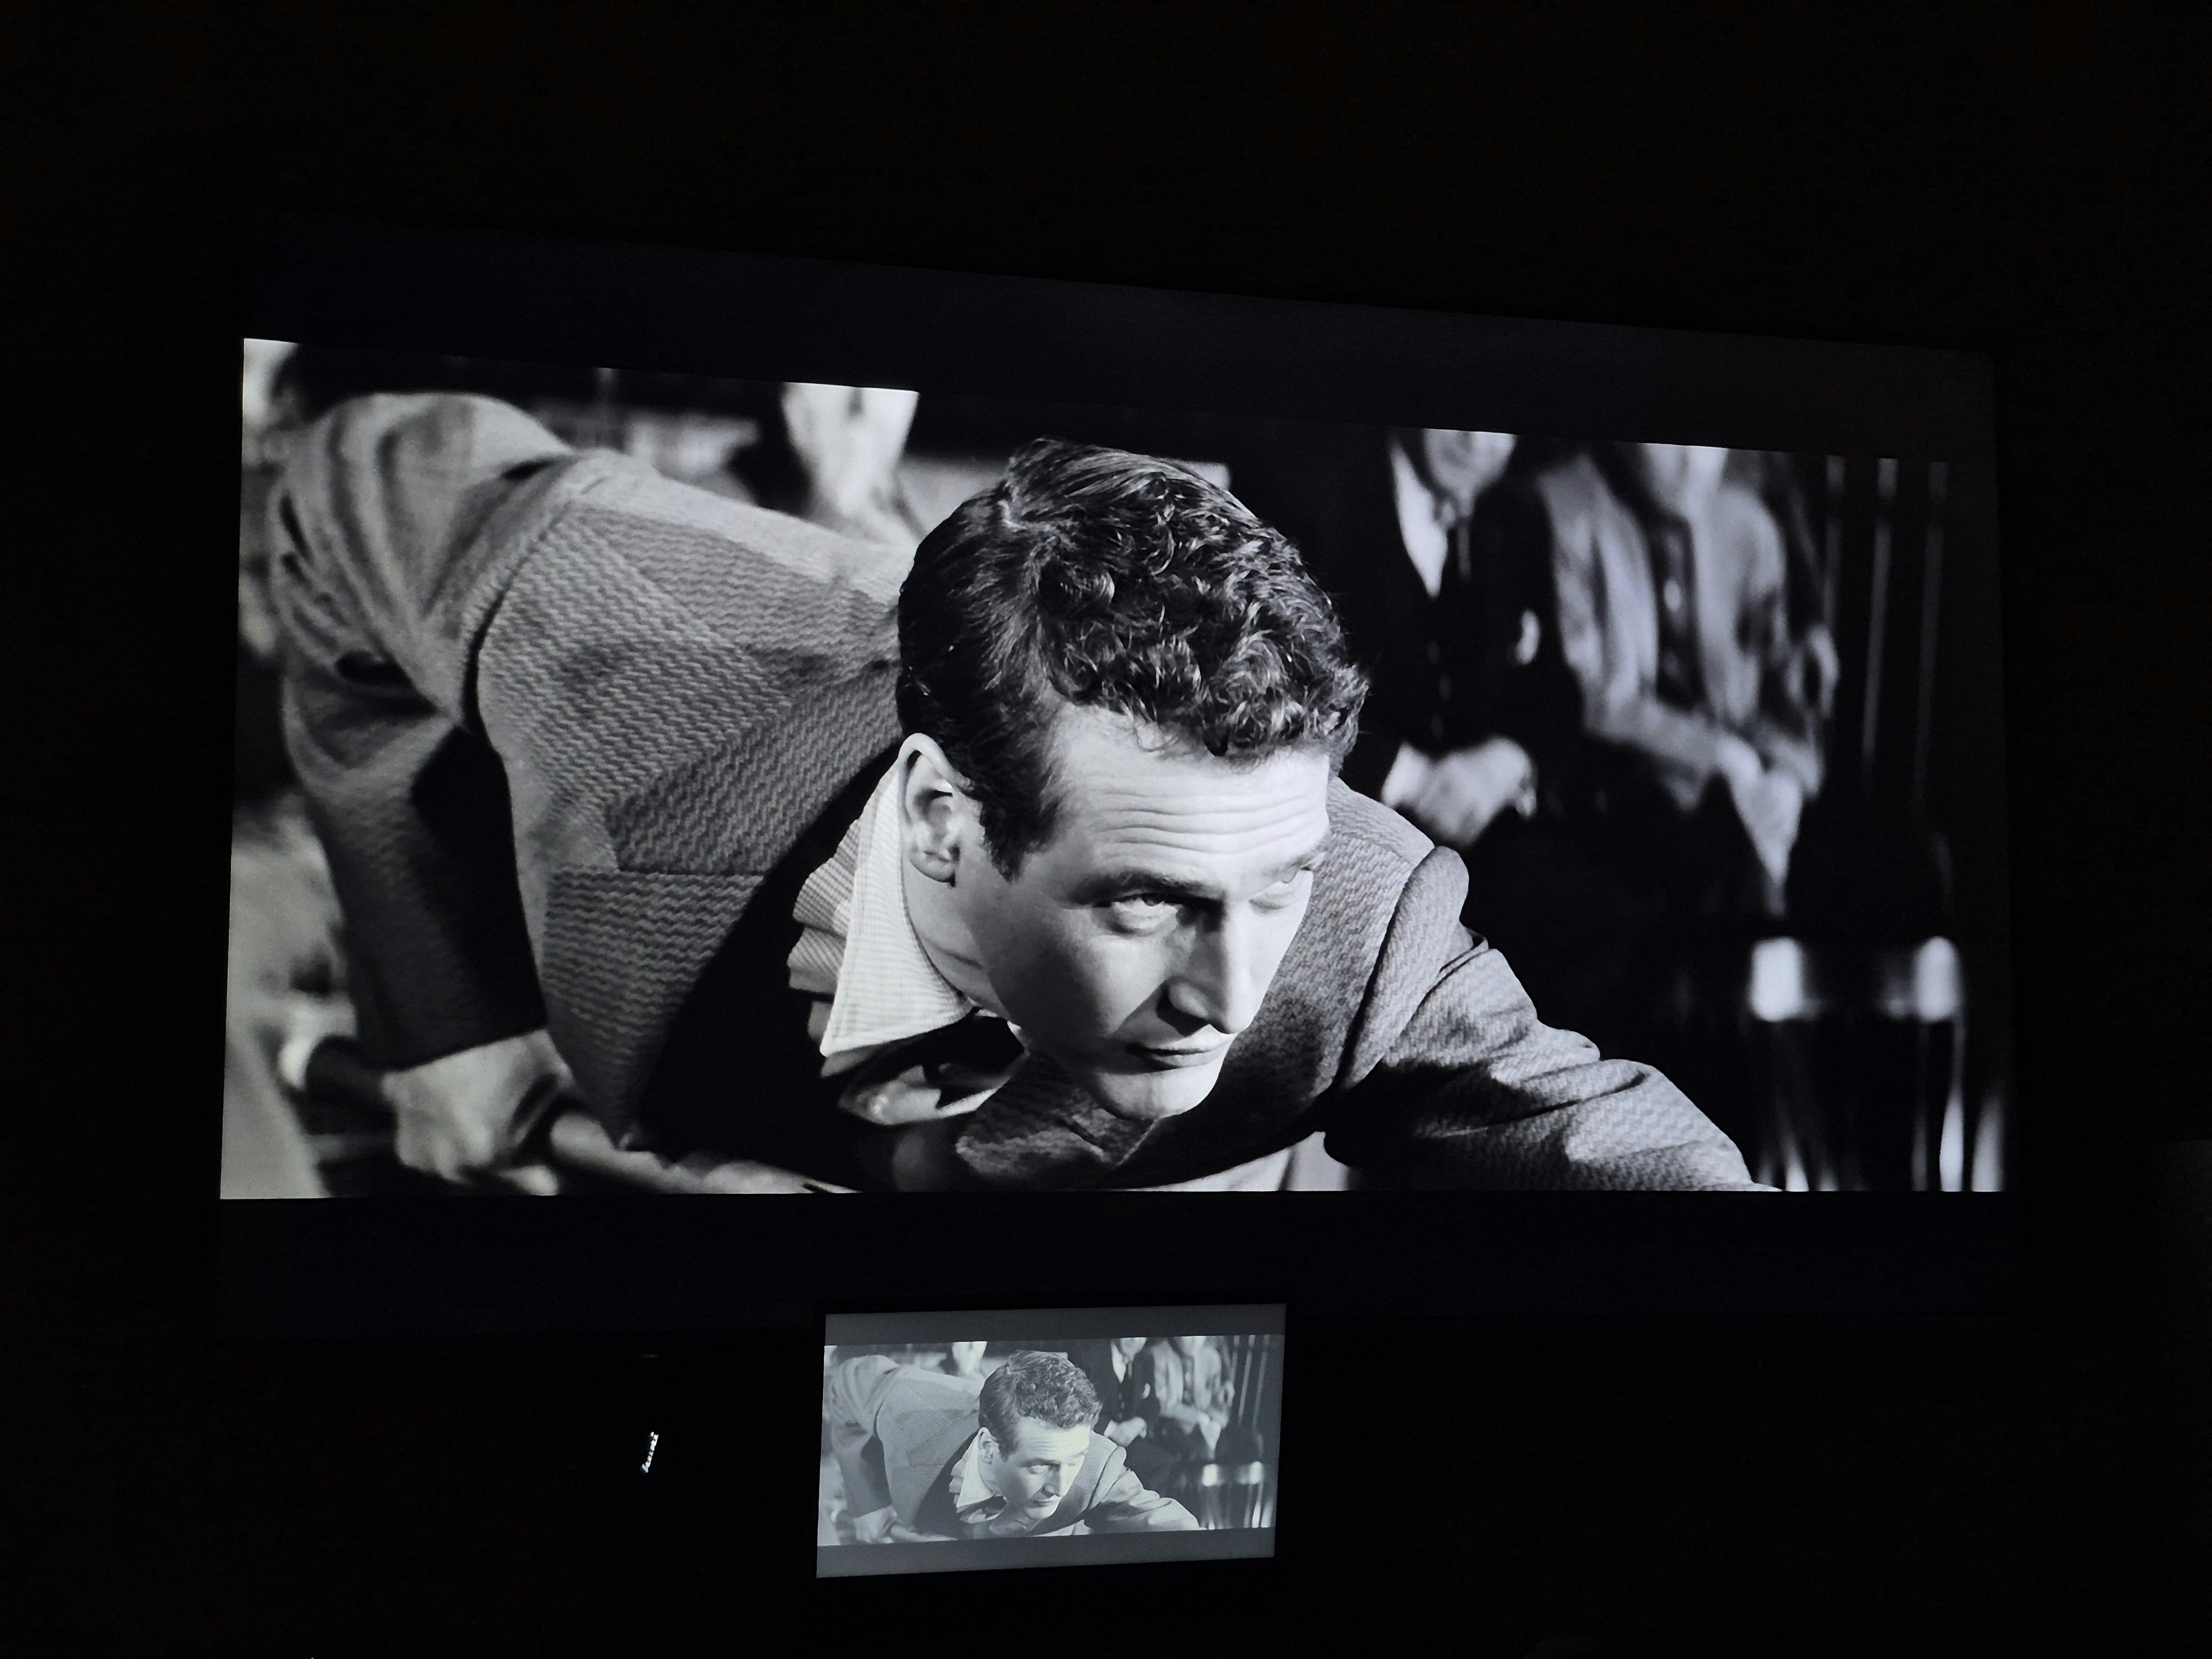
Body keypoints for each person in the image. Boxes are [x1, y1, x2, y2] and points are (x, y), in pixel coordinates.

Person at [267, 392, 1766, 1192]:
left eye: (1277, 885)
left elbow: (1628, 1173)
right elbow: (332, 492)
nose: (1232, 992)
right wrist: (447, 1015)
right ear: (939, 818)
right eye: (1152, 901)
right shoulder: (594, 611)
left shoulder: (1366, 934)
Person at [823, 1349, 1198, 1540]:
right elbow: (842, 1385)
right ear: (988, 1447)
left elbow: (1177, 1532)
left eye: (1075, 1459)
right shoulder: (906, 1404)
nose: (1061, 1486)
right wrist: (868, 1503)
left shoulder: (1097, 1470)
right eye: (1040, 1465)